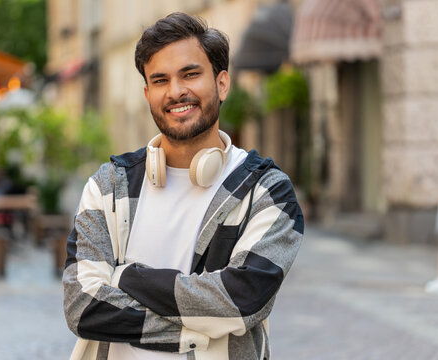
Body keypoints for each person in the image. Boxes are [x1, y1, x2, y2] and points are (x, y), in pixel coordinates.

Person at [63, 12, 304, 360]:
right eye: (160, 80)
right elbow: (83, 307)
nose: (176, 91)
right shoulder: (108, 188)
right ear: (147, 93)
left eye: (190, 74)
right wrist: (195, 334)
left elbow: (239, 302)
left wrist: (126, 277)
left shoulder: (266, 192)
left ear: (222, 83)